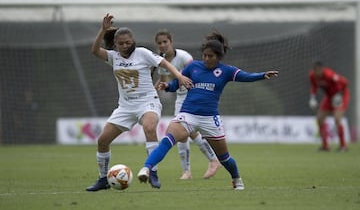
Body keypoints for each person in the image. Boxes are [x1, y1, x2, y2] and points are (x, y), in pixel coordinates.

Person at [137, 34, 279, 190]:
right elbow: (177, 83)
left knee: (224, 158)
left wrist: (262, 75)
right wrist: (168, 86)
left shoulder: (226, 71)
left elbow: (245, 76)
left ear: (218, 56)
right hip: (188, 114)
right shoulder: (193, 67)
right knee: (167, 140)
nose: (206, 58)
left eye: (210, 56)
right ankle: (147, 168)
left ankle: (236, 178)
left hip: (210, 119)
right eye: (204, 55)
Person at [86, 13, 192, 191]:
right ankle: (103, 179)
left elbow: (165, 64)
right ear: (116, 44)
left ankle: (153, 173)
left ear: (132, 40)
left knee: (149, 128)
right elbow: (95, 51)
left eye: (128, 42)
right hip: (125, 107)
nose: (125, 46)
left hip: (147, 102)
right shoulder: (114, 57)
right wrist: (103, 30)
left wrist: (180, 76)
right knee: (102, 141)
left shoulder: (142, 53)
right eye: (121, 43)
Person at [154, 29, 221, 180]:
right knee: (182, 135)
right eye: (159, 43)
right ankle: (189, 171)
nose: (163, 45)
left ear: (172, 42)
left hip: (192, 96)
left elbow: (197, 72)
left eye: (165, 42)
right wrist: (153, 92)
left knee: (186, 132)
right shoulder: (161, 61)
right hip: (180, 97)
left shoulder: (184, 57)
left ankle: (212, 160)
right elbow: (164, 79)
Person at [308, 61, 350, 152]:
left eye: (318, 71)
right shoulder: (312, 76)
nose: (316, 73)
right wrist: (312, 97)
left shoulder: (329, 75)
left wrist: (339, 95)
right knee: (319, 119)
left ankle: (343, 146)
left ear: (322, 69)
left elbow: (345, 83)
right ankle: (325, 146)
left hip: (341, 95)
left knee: (337, 119)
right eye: (315, 71)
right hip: (329, 97)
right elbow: (314, 86)